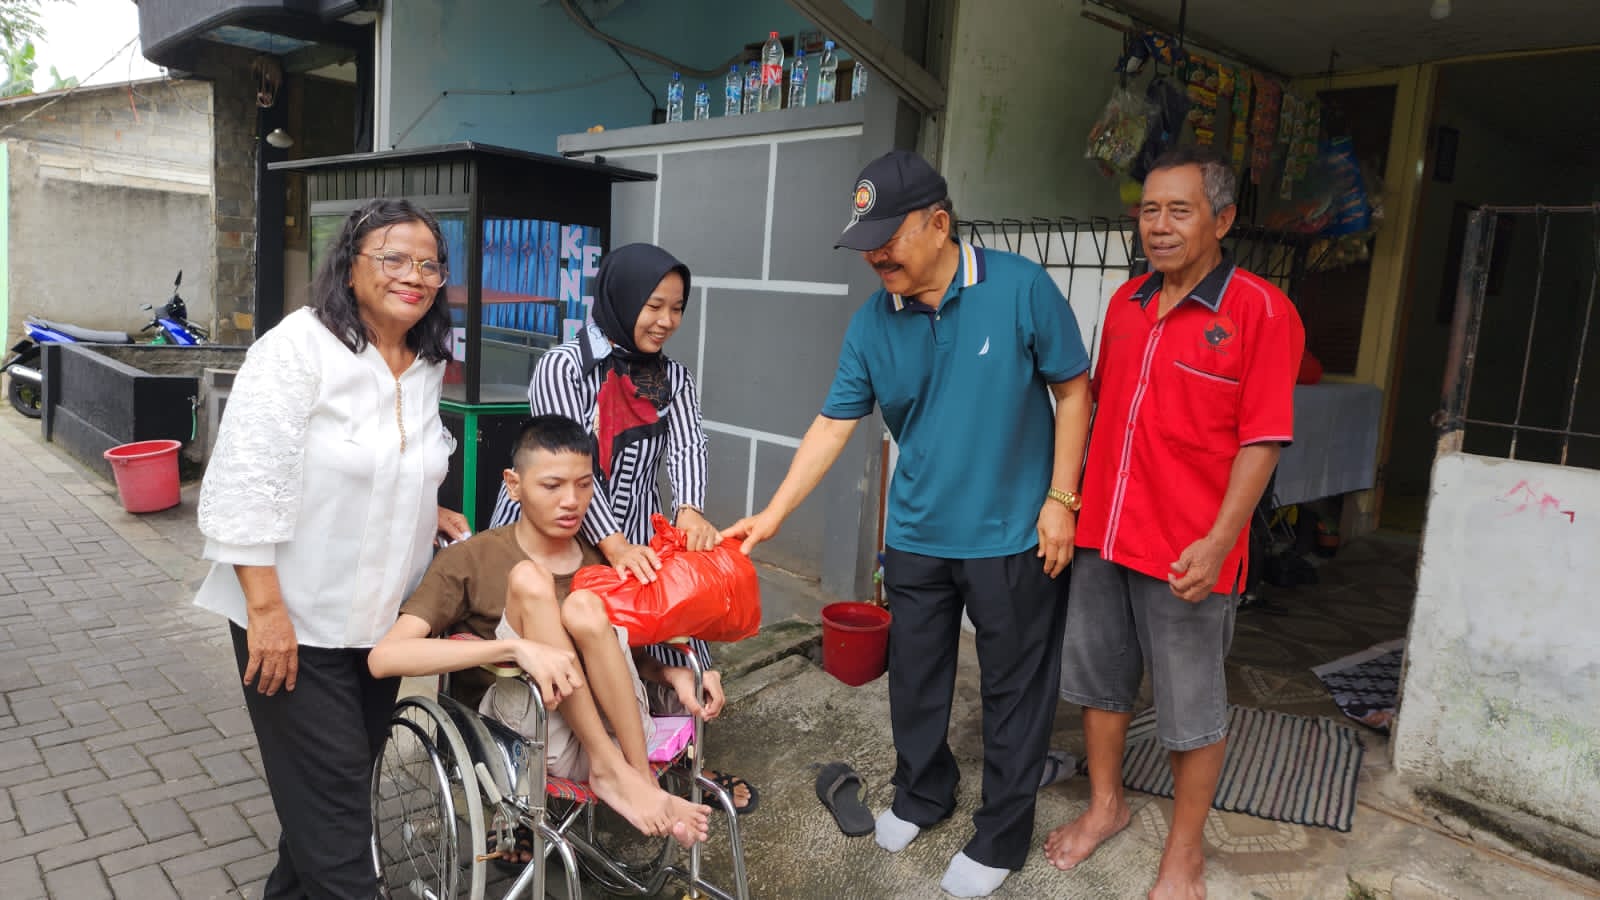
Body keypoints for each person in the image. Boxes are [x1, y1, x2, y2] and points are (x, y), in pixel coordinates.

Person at [721, 150, 1092, 898]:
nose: (876, 256)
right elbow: (834, 423)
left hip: (1012, 536)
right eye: (866, 242)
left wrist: (1062, 498)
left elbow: (1074, 390)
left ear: (939, 223)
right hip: (917, 534)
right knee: (916, 680)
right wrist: (774, 512)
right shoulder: (872, 322)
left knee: (1015, 692)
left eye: (888, 238)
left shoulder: (1020, 287)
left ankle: (1001, 835)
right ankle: (923, 793)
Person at [1044, 145, 1304, 899]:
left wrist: (1221, 541)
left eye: (1179, 211)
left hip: (1188, 549)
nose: (1158, 226)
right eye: (1149, 210)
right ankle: (1107, 805)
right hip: (1104, 532)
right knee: (1100, 681)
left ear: (1221, 220)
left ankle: (1185, 853)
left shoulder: (1260, 311)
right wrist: (1067, 502)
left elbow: (1263, 439)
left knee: (1192, 707)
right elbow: (1095, 409)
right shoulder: (1126, 303)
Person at [193, 199, 470, 899]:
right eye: (394, 258)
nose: (413, 275)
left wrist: (426, 505)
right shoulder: (299, 347)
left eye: (429, 264)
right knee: (339, 816)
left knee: (322, 801)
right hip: (296, 620)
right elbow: (246, 481)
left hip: (381, 623)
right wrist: (266, 613)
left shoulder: (426, 361)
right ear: (350, 267)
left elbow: (389, 460)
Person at [486, 242, 755, 811]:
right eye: (654, 305)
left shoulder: (673, 377)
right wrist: (612, 543)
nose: (666, 321)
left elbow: (689, 443)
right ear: (622, 297)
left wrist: (689, 509)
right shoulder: (565, 367)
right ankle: (537, 793)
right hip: (558, 531)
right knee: (562, 636)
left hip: (630, 529)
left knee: (660, 612)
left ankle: (662, 756)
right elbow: (566, 472)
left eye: (677, 308)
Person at [369, 414, 712, 850]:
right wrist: (514, 648)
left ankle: (636, 779)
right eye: (552, 486)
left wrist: (671, 673)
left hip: (625, 733)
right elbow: (385, 658)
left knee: (585, 605)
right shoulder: (471, 560)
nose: (571, 501)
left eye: (584, 485)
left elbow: (621, 650)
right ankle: (614, 772)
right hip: (534, 740)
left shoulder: (602, 558)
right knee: (530, 580)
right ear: (514, 485)